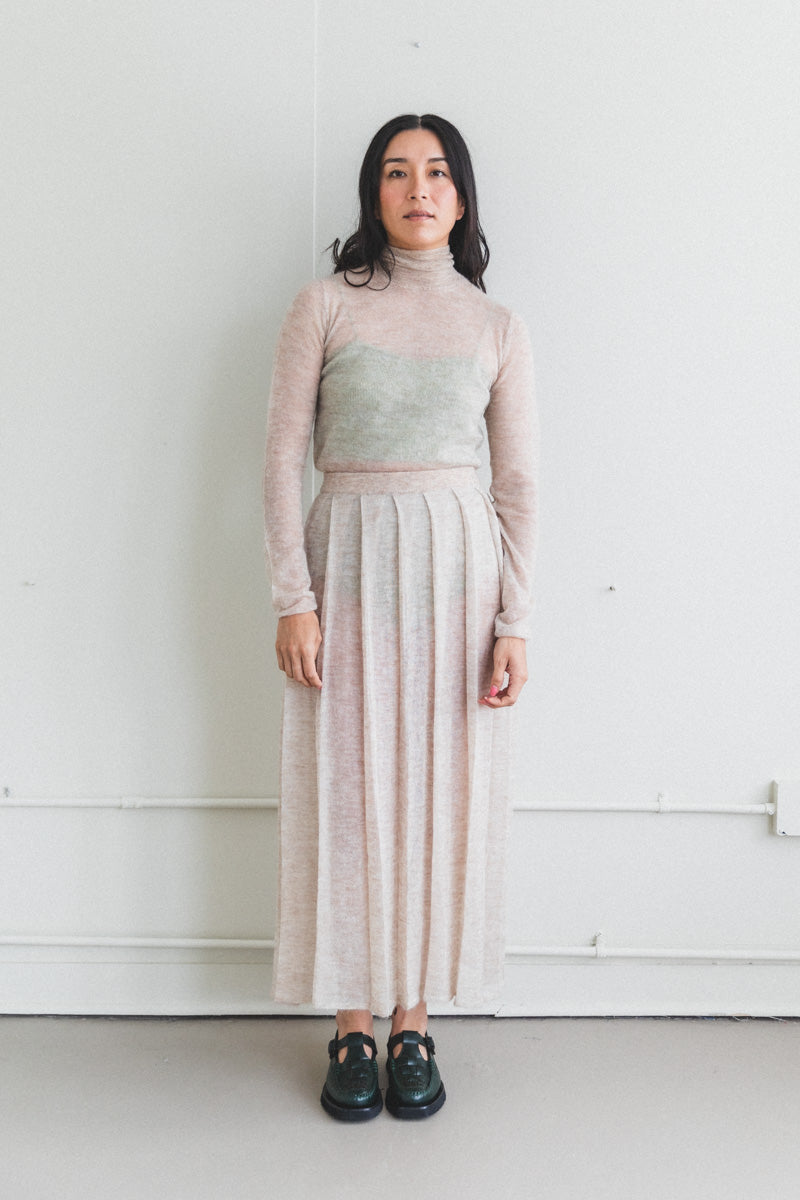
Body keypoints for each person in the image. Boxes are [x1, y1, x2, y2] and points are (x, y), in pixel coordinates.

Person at [263, 113, 538, 1121]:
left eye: (435, 172)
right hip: (345, 564)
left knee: (438, 796)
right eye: (395, 172)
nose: (416, 188)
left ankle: (413, 1020)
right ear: (372, 194)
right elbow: (278, 462)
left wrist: (514, 619)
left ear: (460, 198)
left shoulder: (495, 325)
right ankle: (350, 1023)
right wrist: (293, 598)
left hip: (458, 577)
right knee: (345, 794)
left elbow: (518, 486)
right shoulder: (324, 305)